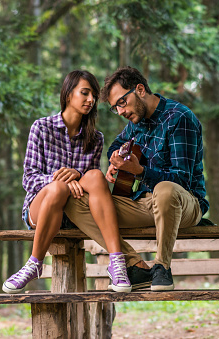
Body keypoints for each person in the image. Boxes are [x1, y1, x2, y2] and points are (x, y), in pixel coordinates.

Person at [65, 66, 209, 291]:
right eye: (115, 108)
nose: (120, 112)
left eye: (121, 102)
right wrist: (116, 158)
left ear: (140, 89)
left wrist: (140, 171)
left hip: (185, 204)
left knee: (165, 190)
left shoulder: (179, 118)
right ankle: (134, 265)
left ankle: (162, 267)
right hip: (144, 203)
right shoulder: (136, 123)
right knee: (75, 201)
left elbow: (181, 181)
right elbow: (115, 144)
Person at [2, 70, 132, 294]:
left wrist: (77, 178)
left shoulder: (95, 138)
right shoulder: (41, 128)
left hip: (76, 214)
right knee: (59, 187)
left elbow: (93, 185)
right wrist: (58, 180)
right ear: (68, 94)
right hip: (41, 209)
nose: (90, 100)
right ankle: (34, 263)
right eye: (84, 93)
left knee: (95, 176)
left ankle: (117, 261)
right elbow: (29, 179)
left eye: (93, 95)